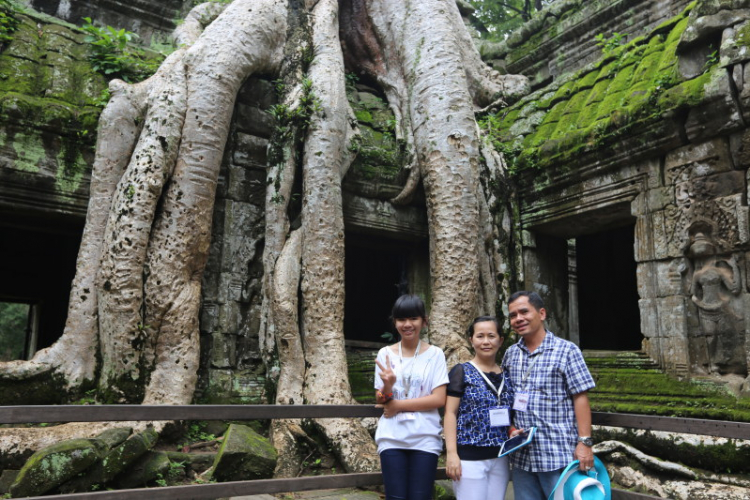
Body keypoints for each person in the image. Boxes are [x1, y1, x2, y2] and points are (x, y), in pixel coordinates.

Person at [502, 291, 596, 500]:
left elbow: (580, 397)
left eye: (524, 312)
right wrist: (510, 428)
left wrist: (585, 443)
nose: (518, 319)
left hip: (557, 453)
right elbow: (507, 398)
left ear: (541, 313)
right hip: (522, 457)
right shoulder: (510, 354)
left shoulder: (566, 350)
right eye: (513, 315)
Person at [374, 294, 449, 500]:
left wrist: (398, 405)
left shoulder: (435, 354)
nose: (407, 324)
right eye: (401, 319)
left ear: (424, 321)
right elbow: (381, 398)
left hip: (425, 438)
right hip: (392, 438)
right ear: (395, 322)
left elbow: (439, 399)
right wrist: (387, 386)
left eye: (413, 318)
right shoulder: (385, 354)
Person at [444, 316, 514, 500]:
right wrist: (451, 454)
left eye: (491, 336)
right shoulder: (461, 372)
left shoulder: (507, 374)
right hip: (469, 457)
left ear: (500, 340)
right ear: (471, 340)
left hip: (501, 457)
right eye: (480, 336)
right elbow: (450, 413)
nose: (486, 341)